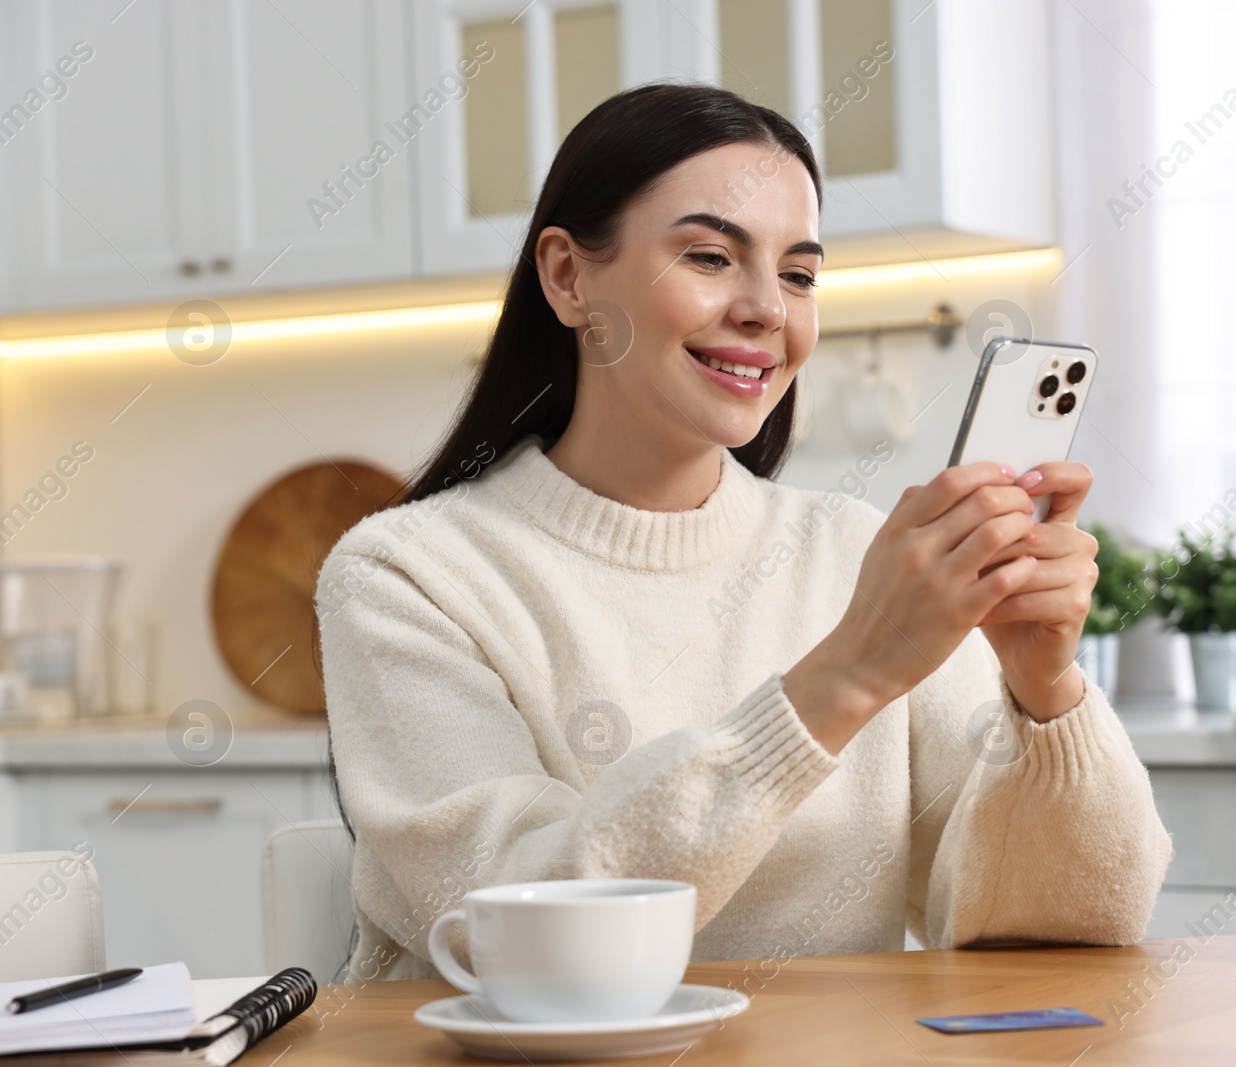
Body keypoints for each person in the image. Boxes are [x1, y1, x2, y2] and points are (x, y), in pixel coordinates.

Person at [316, 83, 1171, 982]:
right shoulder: (404, 575)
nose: (769, 308)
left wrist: (1046, 695)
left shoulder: (852, 551)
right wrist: (851, 671)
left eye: (798, 274)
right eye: (710, 256)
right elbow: (521, 940)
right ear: (568, 277)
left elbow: (1067, 931)